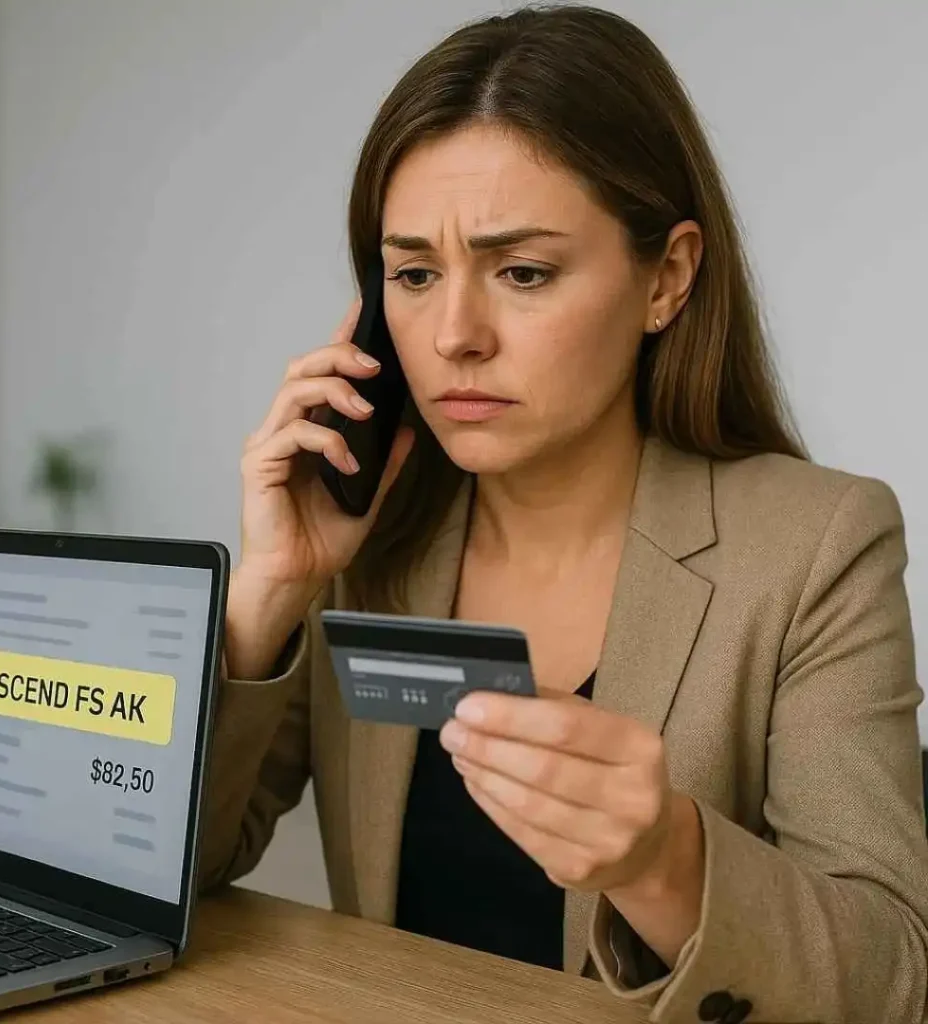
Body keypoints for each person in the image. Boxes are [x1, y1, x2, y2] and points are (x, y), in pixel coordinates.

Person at [198, 6, 928, 1022]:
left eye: (522, 272)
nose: (454, 335)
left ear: (665, 278)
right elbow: (181, 866)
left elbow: (894, 976)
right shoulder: (369, 548)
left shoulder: (818, 545)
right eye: (412, 274)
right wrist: (272, 586)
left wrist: (666, 859)